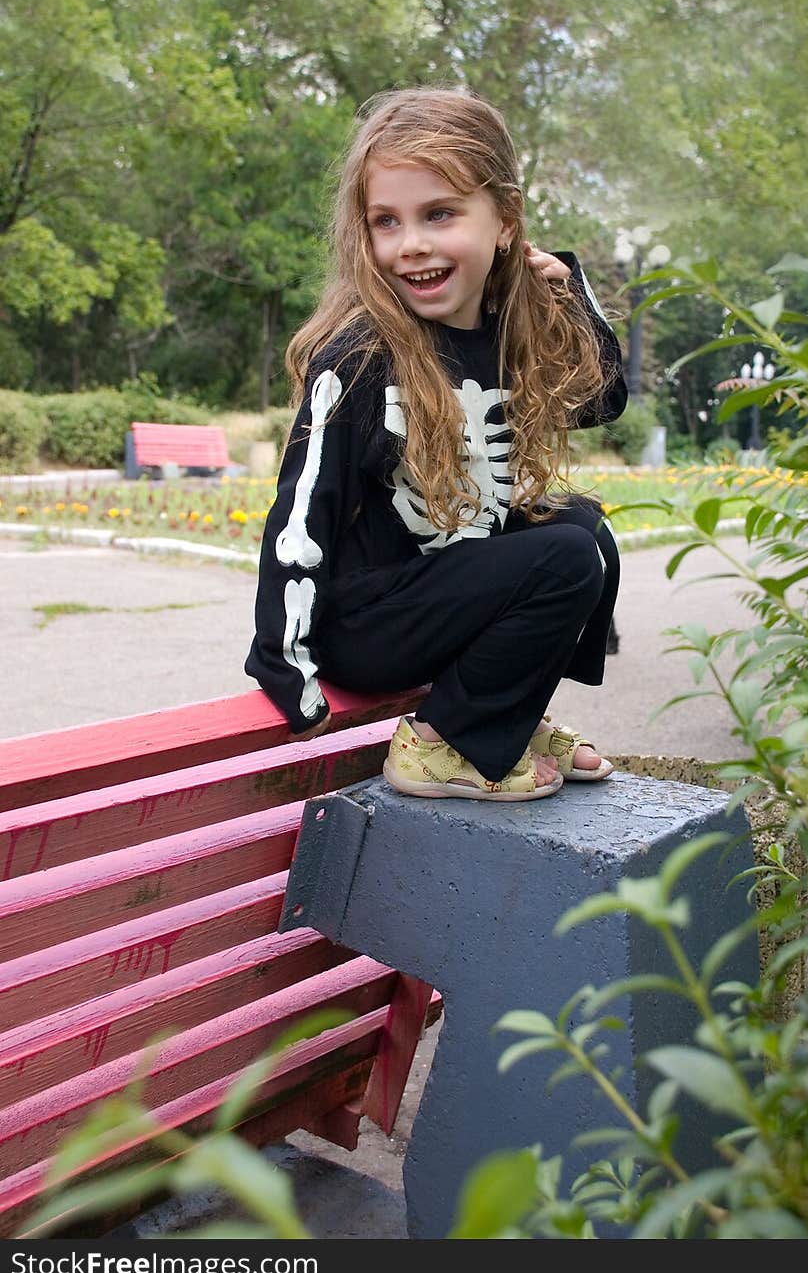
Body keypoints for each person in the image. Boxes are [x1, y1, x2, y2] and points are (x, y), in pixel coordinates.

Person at [245, 86, 627, 803]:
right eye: (386, 221)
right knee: (566, 555)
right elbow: (303, 512)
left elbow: (603, 397)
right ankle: (443, 745)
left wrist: (569, 291)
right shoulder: (359, 356)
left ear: (506, 221)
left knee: (587, 532)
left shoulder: (511, 334)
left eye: (439, 213)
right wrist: (284, 663)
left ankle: (507, 718)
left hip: (444, 588)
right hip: (370, 618)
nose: (411, 243)